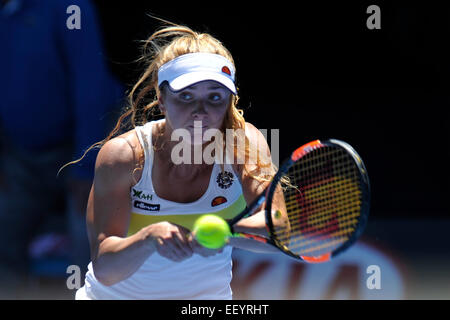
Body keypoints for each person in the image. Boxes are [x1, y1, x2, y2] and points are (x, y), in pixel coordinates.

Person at [74, 24, 289, 300]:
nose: (200, 112)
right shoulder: (124, 156)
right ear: (162, 100)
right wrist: (148, 238)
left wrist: (228, 231)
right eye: (185, 96)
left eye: (214, 97)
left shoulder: (245, 144)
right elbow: (106, 268)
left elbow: (279, 229)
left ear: (229, 102)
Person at [0, 0, 123, 298]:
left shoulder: (71, 7)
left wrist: (85, 166)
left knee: (93, 243)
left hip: (85, 147)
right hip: (20, 156)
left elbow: (90, 86)